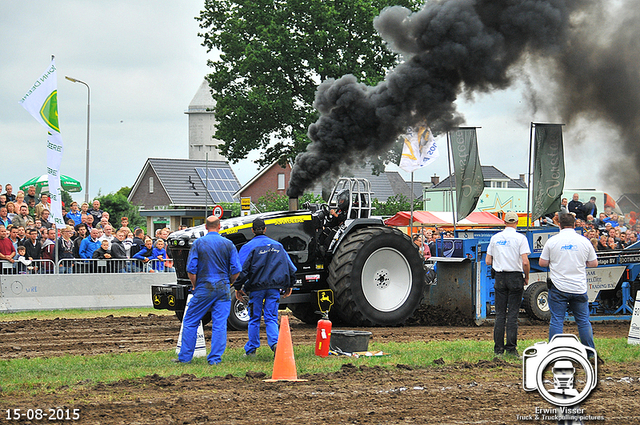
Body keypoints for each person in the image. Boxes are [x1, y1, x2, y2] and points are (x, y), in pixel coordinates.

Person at [175, 215, 241, 365]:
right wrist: (229, 282)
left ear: (205, 227)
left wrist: (195, 285)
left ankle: (185, 358)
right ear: (219, 227)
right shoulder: (228, 244)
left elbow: (191, 269)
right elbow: (236, 269)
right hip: (223, 286)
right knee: (219, 323)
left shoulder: (199, 243)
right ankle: (215, 359)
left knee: (191, 320)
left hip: (204, 285)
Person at [234, 218, 296, 356]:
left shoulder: (248, 247)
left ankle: (251, 349)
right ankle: (275, 344)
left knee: (254, 318)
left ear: (252, 230)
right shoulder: (278, 246)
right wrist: (289, 284)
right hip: (274, 288)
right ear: (265, 229)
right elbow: (291, 268)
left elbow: (241, 270)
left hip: (256, 288)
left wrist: (238, 287)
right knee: (271, 317)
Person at [539, 213, 598, 352]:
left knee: (557, 320)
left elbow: (542, 263)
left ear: (559, 224)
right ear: (575, 224)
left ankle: (554, 351)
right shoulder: (583, 241)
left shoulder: (552, 241)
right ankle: (590, 352)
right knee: (583, 321)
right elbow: (594, 263)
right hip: (578, 287)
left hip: (559, 287)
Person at [485, 211, 530, 357]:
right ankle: (511, 348)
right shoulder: (520, 238)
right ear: (516, 222)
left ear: (504, 222)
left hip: (500, 277)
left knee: (500, 314)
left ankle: (498, 349)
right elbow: (525, 261)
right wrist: (526, 276)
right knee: (512, 314)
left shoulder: (495, 238)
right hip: (515, 276)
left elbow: (488, 261)